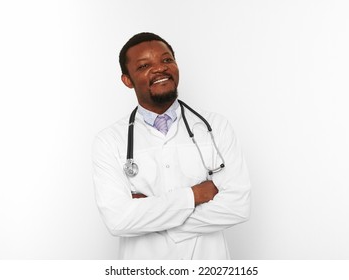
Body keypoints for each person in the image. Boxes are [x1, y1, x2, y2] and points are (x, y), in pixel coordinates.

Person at [92, 32, 251, 259]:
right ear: (127, 80)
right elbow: (118, 221)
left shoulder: (215, 127)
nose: (160, 68)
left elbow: (237, 207)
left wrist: (150, 217)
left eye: (167, 60)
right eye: (144, 65)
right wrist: (195, 195)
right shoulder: (109, 141)